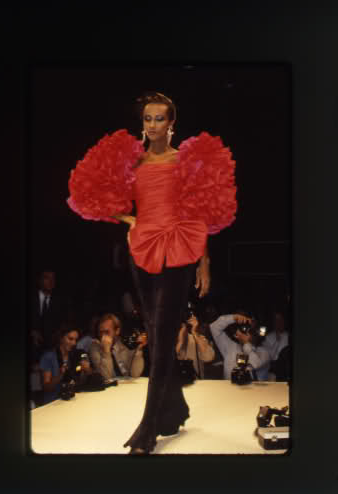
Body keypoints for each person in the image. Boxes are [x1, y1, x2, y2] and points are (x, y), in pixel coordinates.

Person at [67, 91, 237, 454]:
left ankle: (149, 426)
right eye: (148, 118)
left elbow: (200, 211)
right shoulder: (133, 162)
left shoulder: (183, 161)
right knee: (156, 333)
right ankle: (176, 408)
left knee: (163, 332)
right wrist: (130, 219)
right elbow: (90, 193)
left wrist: (204, 262)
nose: (153, 125)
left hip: (178, 247)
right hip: (142, 248)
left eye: (160, 118)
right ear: (142, 123)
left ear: (172, 123)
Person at [39, 324, 97, 405]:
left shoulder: (75, 355)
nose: (74, 343)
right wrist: (60, 376)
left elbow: (84, 378)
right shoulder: (49, 356)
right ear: (61, 338)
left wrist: (87, 370)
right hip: (53, 402)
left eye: (76, 340)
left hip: (72, 399)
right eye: (70, 339)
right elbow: (46, 388)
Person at [210, 312, 271, 381]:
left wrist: (246, 343)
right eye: (245, 328)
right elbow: (214, 327)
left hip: (253, 388)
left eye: (252, 330)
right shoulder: (230, 347)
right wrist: (233, 318)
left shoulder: (264, 351)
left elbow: (254, 364)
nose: (248, 332)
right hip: (228, 387)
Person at [88, 313, 147, 381]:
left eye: (107, 332)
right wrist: (106, 351)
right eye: (101, 332)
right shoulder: (94, 348)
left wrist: (139, 350)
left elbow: (135, 374)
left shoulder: (125, 344)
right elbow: (106, 377)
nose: (103, 336)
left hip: (127, 384)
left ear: (117, 331)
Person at [175, 314, 215, 379]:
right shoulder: (162, 340)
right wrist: (180, 341)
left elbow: (209, 357)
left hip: (194, 382)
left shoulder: (196, 339)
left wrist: (194, 332)